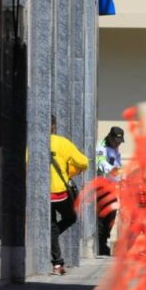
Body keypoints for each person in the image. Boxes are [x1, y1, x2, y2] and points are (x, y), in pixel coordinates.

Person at [50, 115, 89, 275]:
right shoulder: (62, 142)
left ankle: (57, 263)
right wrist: (72, 169)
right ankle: (57, 261)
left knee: (51, 225)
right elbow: (83, 162)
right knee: (71, 217)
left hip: (41, 193)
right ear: (54, 126)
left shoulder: (31, 141)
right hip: (58, 191)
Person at [95, 126, 125, 256]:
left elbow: (118, 164)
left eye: (120, 141)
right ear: (110, 137)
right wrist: (116, 171)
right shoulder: (101, 147)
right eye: (117, 141)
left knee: (112, 215)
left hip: (112, 186)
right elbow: (102, 164)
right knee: (103, 216)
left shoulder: (115, 148)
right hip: (102, 186)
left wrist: (122, 178)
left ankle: (104, 242)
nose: (118, 144)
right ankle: (100, 244)